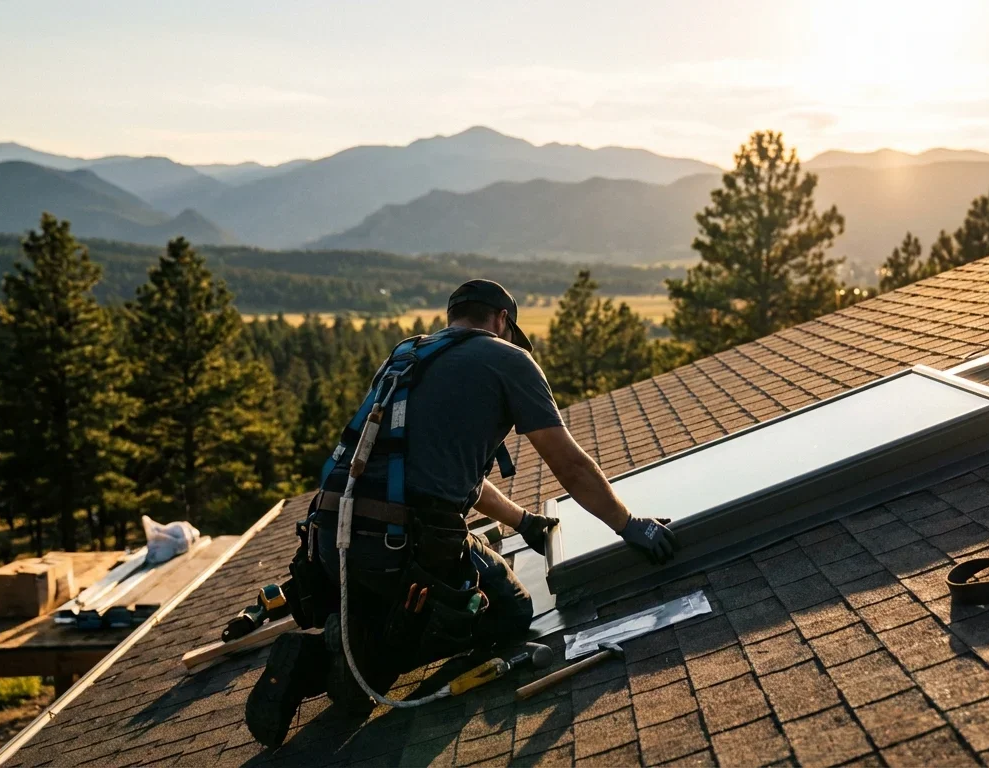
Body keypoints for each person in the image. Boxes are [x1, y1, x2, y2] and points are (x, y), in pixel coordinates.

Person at [245, 279, 678, 748]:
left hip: (333, 538)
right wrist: (627, 523)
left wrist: (524, 522)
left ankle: (346, 647)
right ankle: (334, 660)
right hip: (402, 547)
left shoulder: (406, 356)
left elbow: (447, 478)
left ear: (454, 317)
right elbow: (570, 465)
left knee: (394, 603)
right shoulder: (509, 359)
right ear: (502, 321)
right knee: (509, 611)